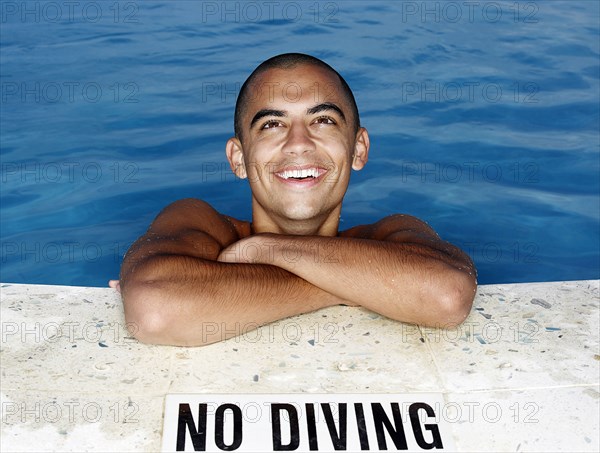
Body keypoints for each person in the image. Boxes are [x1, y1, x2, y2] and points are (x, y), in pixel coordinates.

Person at [109, 53, 477, 346]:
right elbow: (155, 310)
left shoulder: (394, 231)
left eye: (323, 121)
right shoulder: (198, 220)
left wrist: (267, 250)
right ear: (238, 158)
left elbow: (447, 295)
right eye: (272, 124)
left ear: (358, 149)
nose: (299, 143)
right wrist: (366, 287)